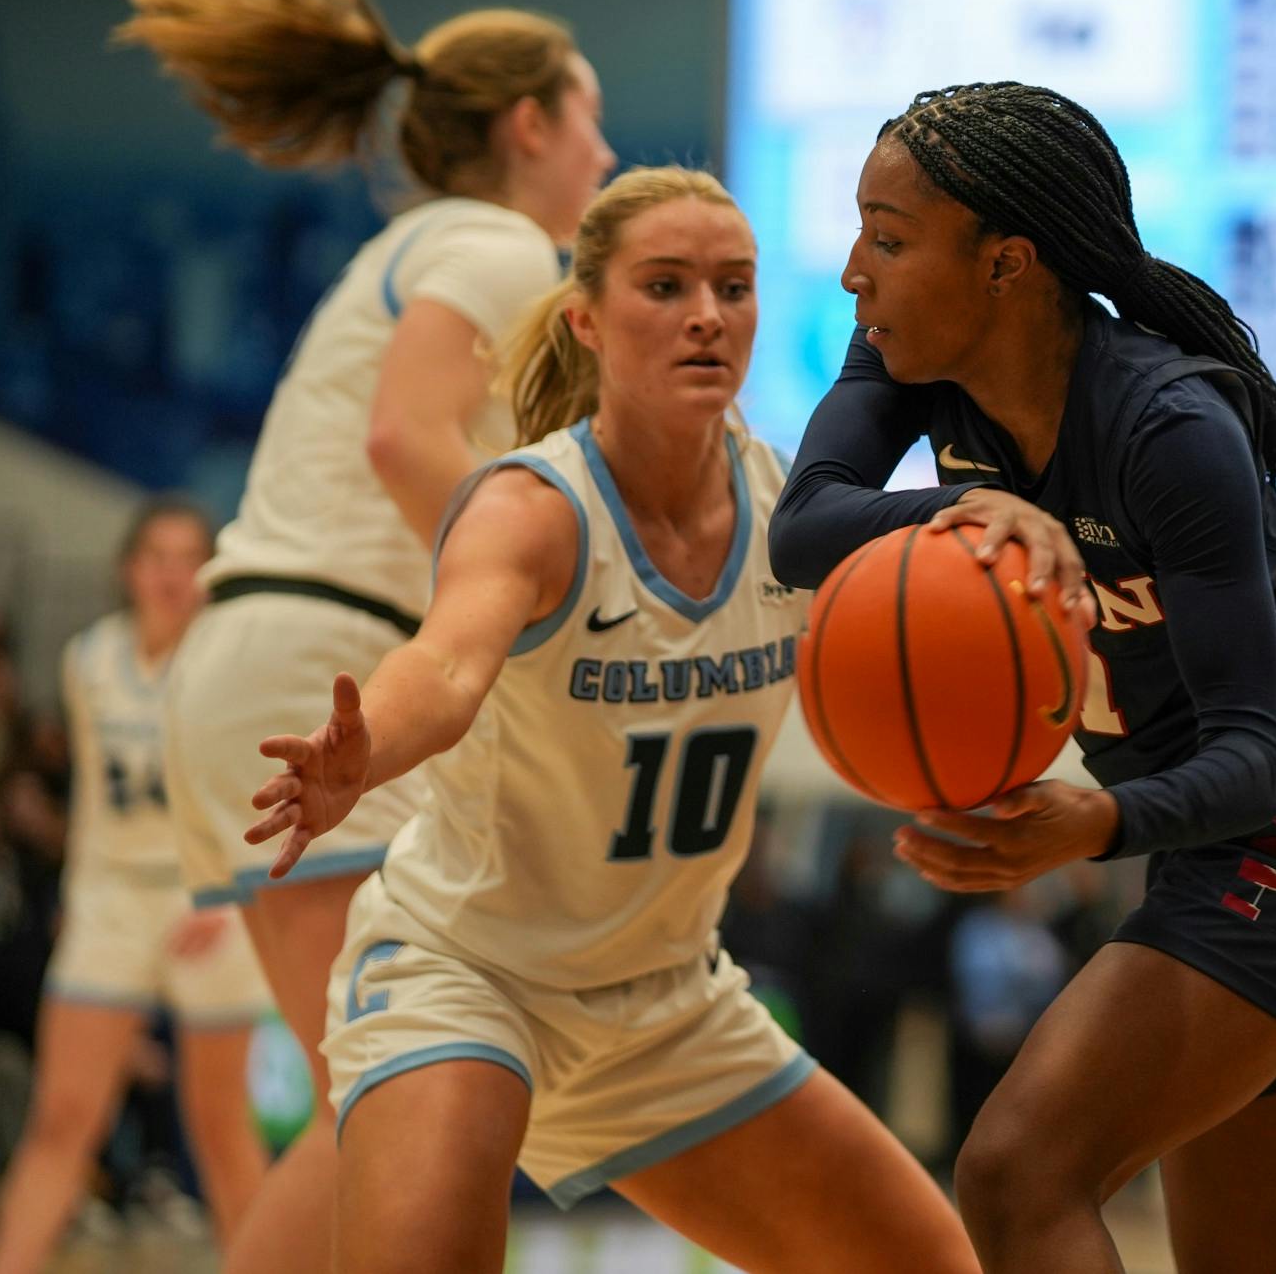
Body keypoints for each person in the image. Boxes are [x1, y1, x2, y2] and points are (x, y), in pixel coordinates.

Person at [768, 81, 1276, 1274]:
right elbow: (802, 530)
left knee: (1016, 1170)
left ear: (1007, 264)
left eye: (888, 239)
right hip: (1231, 839)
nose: (850, 271)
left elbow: (1248, 757)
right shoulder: (905, 362)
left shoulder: (1164, 427)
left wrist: (1094, 824)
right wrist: (970, 502)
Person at [243, 167, 977, 1274]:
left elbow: (920, 671)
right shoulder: (532, 508)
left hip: (667, 1000)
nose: (705, 315)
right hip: (468, 973)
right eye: (665, 285)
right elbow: (443, 666)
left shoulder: (793, 515)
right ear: (586, 318)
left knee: (929, 1261)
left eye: (733, 287)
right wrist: (368, 749)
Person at [113, 0, 615, 1267]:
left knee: (383, 1097)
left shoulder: (436, 242)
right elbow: (405, 440)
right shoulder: (501, 243)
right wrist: (541, 600)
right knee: (407, 1095)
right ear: (530, 126)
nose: (607, 155)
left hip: (269, 656)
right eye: (593, 118)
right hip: (315, 661)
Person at [0, 500, 270, 1272]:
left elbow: (255, 787)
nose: (172, 573)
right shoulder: (89, 658)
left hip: (209, 895)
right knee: (63, 1117)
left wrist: (232, 890)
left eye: (188, 557)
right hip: (112, 896)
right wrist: (79, 897)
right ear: (129, 567)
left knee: (218, 1122)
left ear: (210, 572)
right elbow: (88, 803)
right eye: (158, 556)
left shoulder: (232, 657)